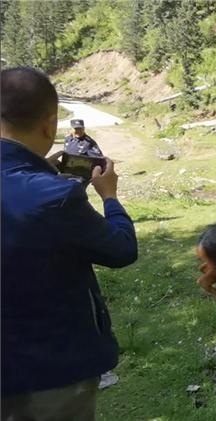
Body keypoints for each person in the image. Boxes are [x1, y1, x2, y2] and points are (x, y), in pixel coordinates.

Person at [1, 67, 138, 420]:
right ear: (50, 126)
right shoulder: (55, 196)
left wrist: (38, 170)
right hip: (52, 370)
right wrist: (110, 197)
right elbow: (122, 249)